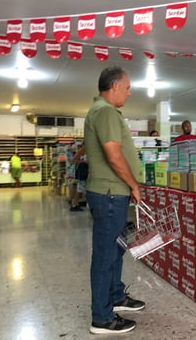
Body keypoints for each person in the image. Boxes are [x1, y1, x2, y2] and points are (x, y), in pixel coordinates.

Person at [84, 66, 145, 335]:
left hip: (113, 194)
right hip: (109, 193)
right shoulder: (106, 111)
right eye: (127, 87)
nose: (130, 92)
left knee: (116, 249)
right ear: (115, 86)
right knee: (106, 254)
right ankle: (102, 318)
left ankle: (116, 296)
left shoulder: (104, 111)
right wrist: (133, 184)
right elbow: (113, 155)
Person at [70, 145, 87, 211]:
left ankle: (75, 204)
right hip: (83, 172)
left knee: (80, 189)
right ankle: (74, 205)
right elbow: (73, 160)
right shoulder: (82, 150)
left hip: (86, 172)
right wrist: (83, 162)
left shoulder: (90, 150)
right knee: (80, 189)